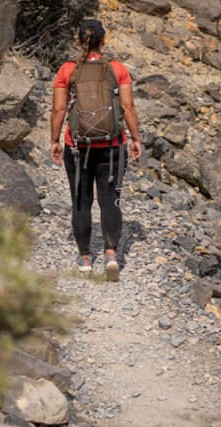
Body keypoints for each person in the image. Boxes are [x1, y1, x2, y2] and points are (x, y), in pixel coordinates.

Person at [50, 19, 142, 281]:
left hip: (77, 147)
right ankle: (111, 254)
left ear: (79, 41)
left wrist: (55, 140)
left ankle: (84, 258)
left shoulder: (67, 70)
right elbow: (127, 108)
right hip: (113, 147)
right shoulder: (118, 69)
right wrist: (135, 139)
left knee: (81, 201)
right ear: (103, 41)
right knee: (109, 199)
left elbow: (58, 110)